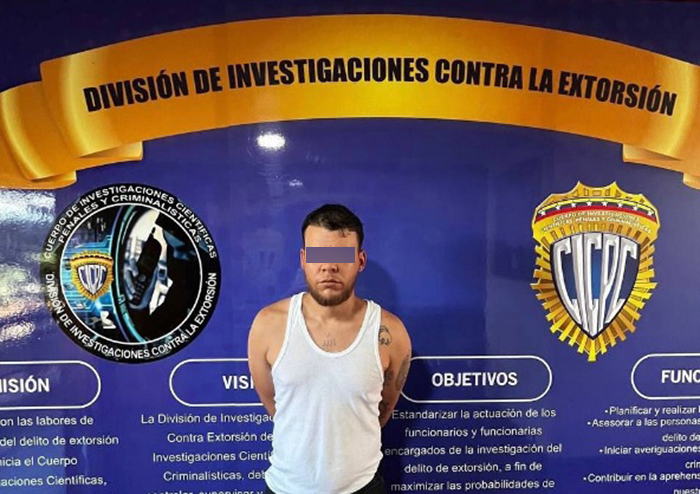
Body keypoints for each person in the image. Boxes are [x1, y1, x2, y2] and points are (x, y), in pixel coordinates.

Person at [248, 204, 412, 494]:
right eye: (318, 255)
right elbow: (274, 404)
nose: (329, 266)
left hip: (362, 487)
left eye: (341, 256)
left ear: (360, 261)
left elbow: (383, 409)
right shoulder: (268, 325)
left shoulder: (391, 333)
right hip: (285, 487)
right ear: (303, 259)